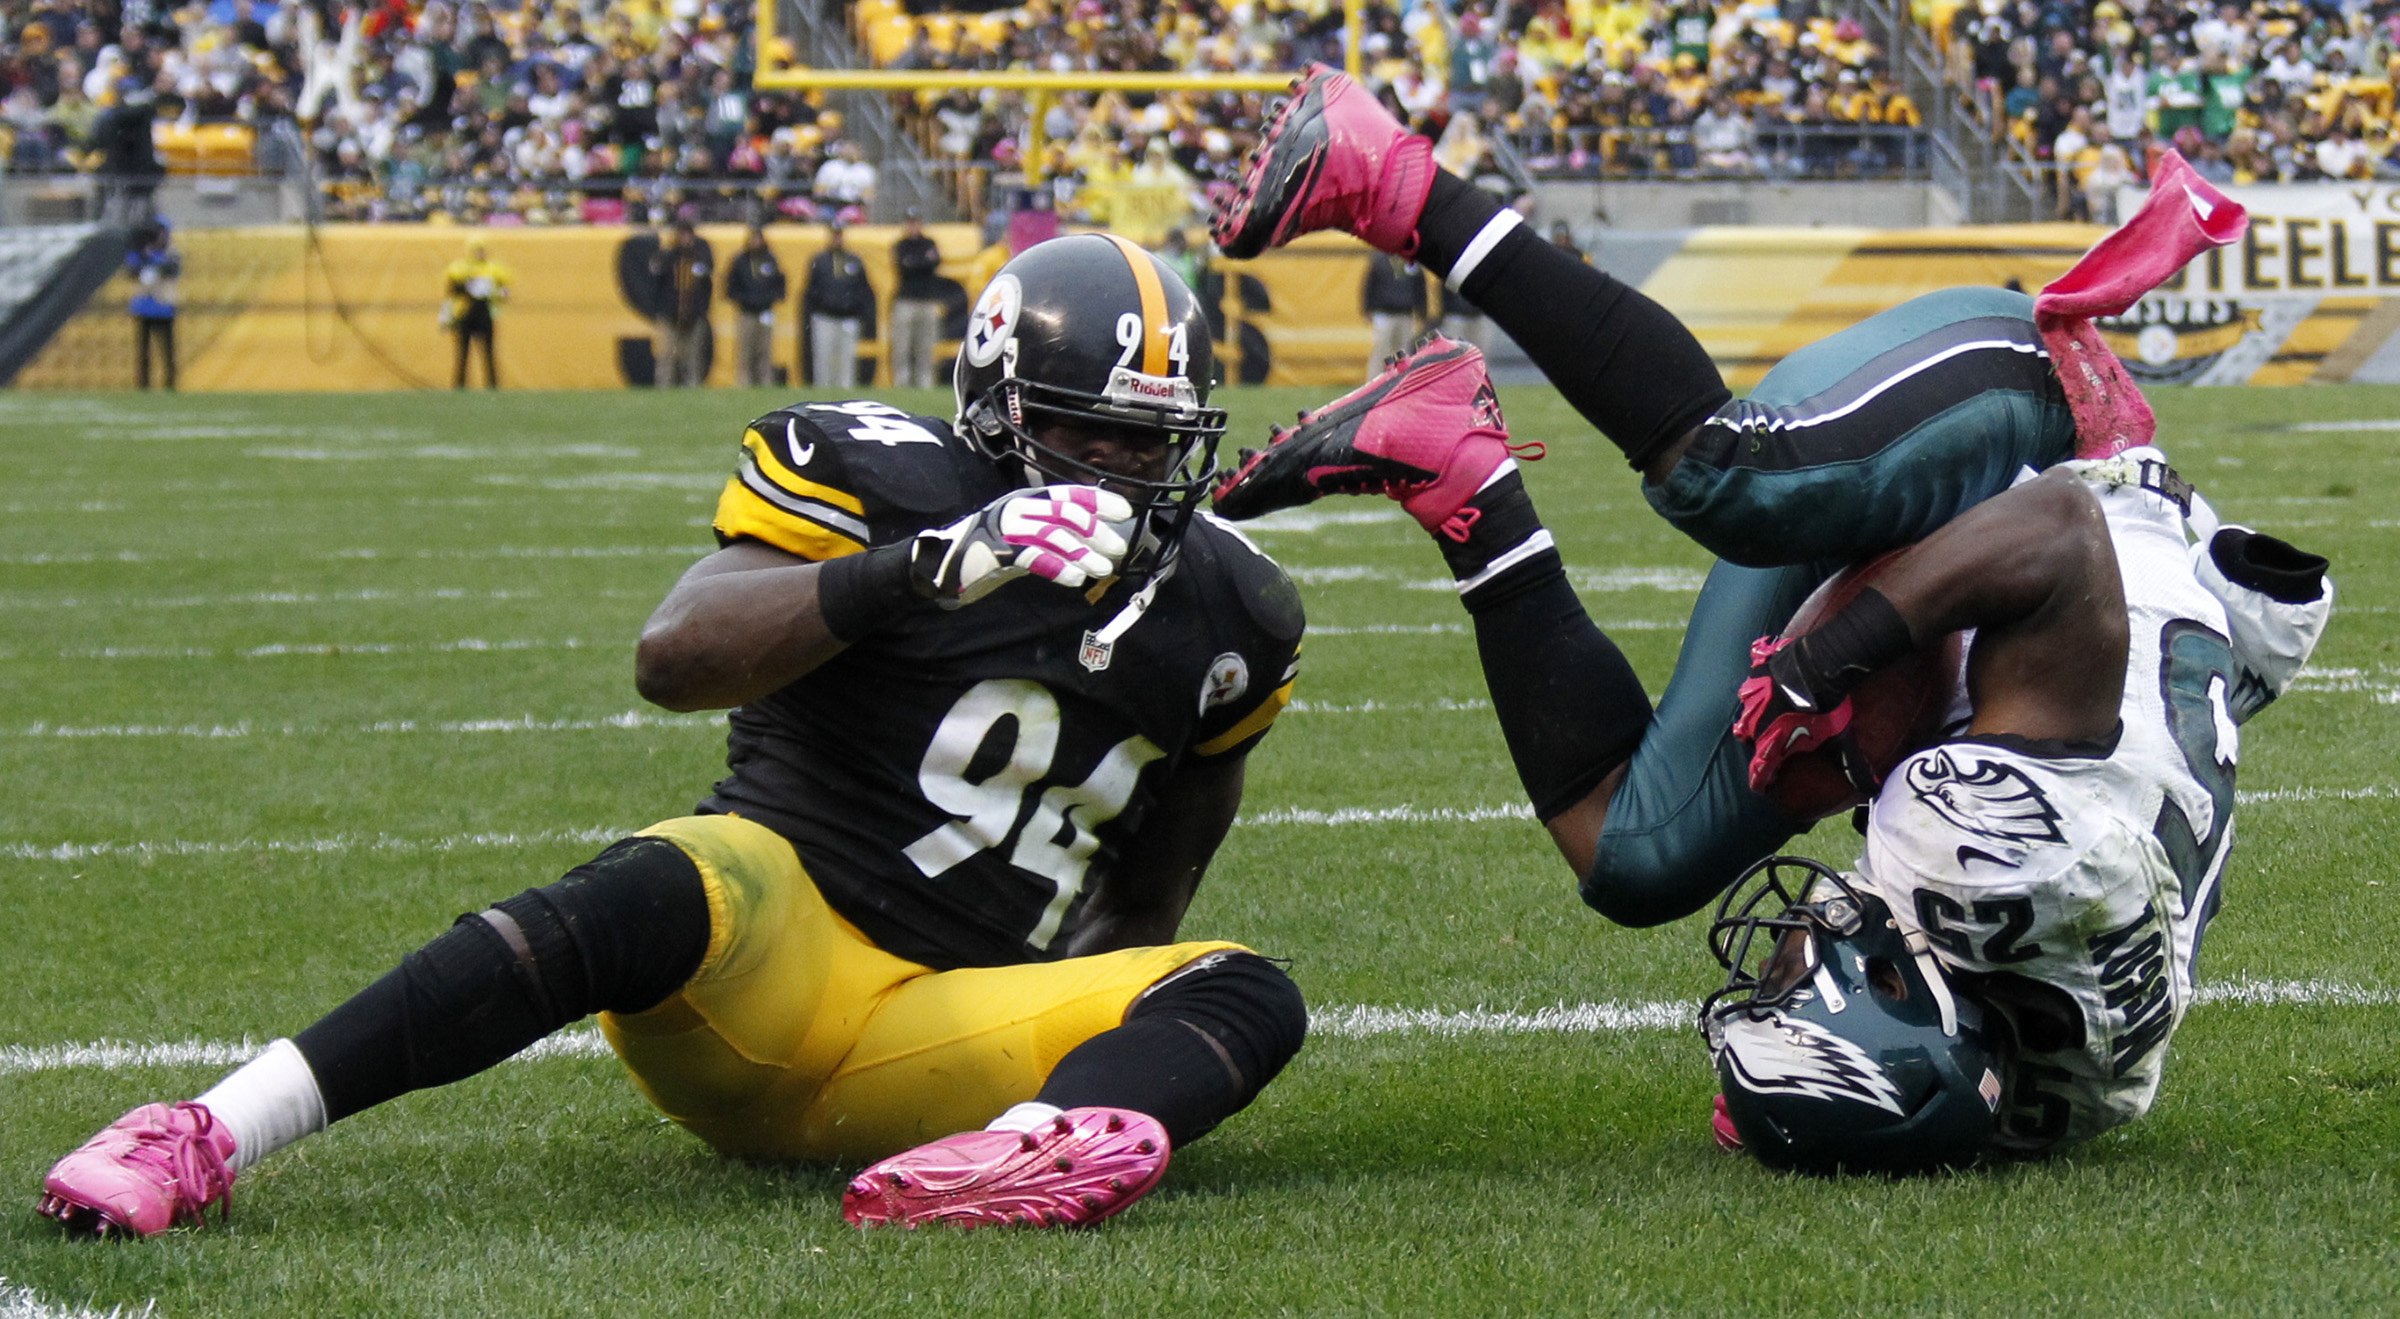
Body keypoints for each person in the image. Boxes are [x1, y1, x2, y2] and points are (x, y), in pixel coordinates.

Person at [36, 233, 1308, 1238]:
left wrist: (1112, 1049)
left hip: (949, 1039)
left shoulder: (1229, 605)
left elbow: (1146, 897)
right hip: (765, 969)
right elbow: (674, 659)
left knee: (1242, 983)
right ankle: (205, 1128)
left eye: (1152, 437)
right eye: (1085, 428)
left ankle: (1013, 1154)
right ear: (992, 401)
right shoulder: (882, 481)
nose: (1120, 468)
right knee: (675, 870)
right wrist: (923, 569)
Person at [1208, 65, 2332, 1174]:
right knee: (1732, 481)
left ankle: (1453, 462)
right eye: (1801, 986)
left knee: (1636, 857)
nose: (1783, 962)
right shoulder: (2016, 859)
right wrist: (1829, 658)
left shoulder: (2064, 1087)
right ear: (1900, 987)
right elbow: (2057, 537)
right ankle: (1387, 177)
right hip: (2036, 439)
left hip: (2001, 623)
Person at [802, 219, 873, 389]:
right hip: (825, 317)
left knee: (847, 362)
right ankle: (822, 395)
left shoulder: (854, 260)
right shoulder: (819, 261)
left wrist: (857, 309)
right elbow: (811, 290)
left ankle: (845, 395)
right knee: (823, 361)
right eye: (834, 235)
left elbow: (863, 289)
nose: (837, 239)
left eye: (839, 235)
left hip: (848, 318)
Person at [650, 218, 715, 387]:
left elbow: (707, 281)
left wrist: (701, 308)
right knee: (667, 353)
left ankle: (691, 384)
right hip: (670, 312)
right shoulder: (669, 256)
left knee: (693, 354)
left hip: (694, 312)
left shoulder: (701, 256)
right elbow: (657, 279)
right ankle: (664, 384)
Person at [723, 224, 787, 389]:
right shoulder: (740, 261)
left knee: (765, 351)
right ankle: (743, 383)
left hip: (765, 312)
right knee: (745, 351)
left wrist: (769, 299)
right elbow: (730, 286)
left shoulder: (770, 260)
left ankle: (765, 383)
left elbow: (780, 284)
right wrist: (746, 299)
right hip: (747, 313)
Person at [440, 238, 510, 390]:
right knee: (463, 352)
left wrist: (501, 294)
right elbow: (450, 295)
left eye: (482, 249)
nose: (479, 253)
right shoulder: (460, 268)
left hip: (484, 312)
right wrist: (445, 316)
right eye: (476, 249)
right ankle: (460, 385)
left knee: (488, 352)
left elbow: (504, 290)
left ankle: (492, 385)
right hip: (465, 312)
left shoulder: (493, 269)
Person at [888, 209, 945, 389]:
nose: (913, 226)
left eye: (916, 221)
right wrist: (922, 262)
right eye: (910, 222)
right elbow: (904, 267)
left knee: (925, 346)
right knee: (902, 346)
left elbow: (935, 263)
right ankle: (901, 383)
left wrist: (916, 262)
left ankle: (925, 383)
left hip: (926, 301)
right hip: (905, 301)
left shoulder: (929, 242)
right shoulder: (901, 245)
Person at [126, 219, 179, 390]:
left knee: (167, 351)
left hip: (164, 307)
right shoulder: (139, 254)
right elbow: (132, 271)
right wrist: (146, 257)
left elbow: (171, 269)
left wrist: (150, 262)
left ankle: (170, 383)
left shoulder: (170, 254)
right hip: (144, 307)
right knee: (144, 352)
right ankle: (143, 384)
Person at [1360, 252, 1426, 373]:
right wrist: (1367, 309)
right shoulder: (1380, 261)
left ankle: (1401, 381)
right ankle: (1375, 381)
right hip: (1384, 313)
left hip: (1406, 313)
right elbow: (1369, 285)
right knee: (1381, 349)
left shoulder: (1411, 262)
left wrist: (1422, 310)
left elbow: (1419, 286)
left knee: (1403, 351)